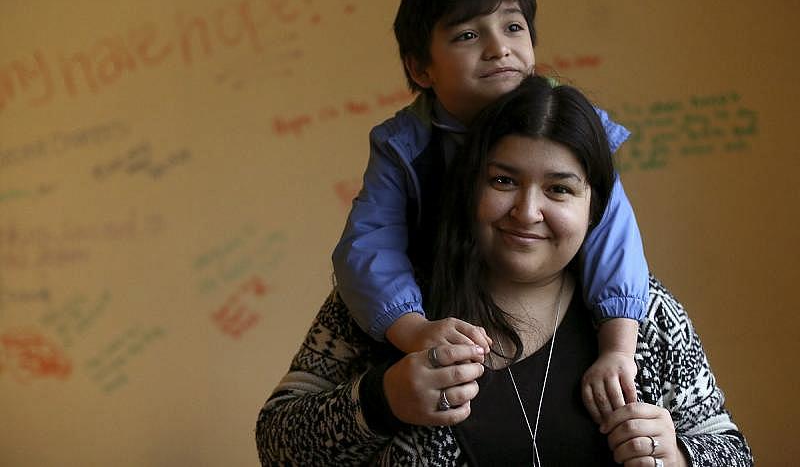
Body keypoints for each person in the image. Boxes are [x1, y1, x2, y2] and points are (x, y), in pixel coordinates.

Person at [256, 76, 753, 466]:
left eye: (559, 189)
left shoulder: (648, 315)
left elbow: (730, 450)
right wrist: (382, 399)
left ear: (594, 205)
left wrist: (681, 455)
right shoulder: (389, 302)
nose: (527, 211)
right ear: (469, 186)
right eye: (503, 180)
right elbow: (277, 444)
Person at [331, 0, 648, 423]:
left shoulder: (572, 127)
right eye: (467, 34)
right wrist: (415, 332)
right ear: (421, 70)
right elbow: (366, 246)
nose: (499, 48)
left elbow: (613, 236)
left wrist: (618, 347)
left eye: (513, 27)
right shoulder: (405, 146)